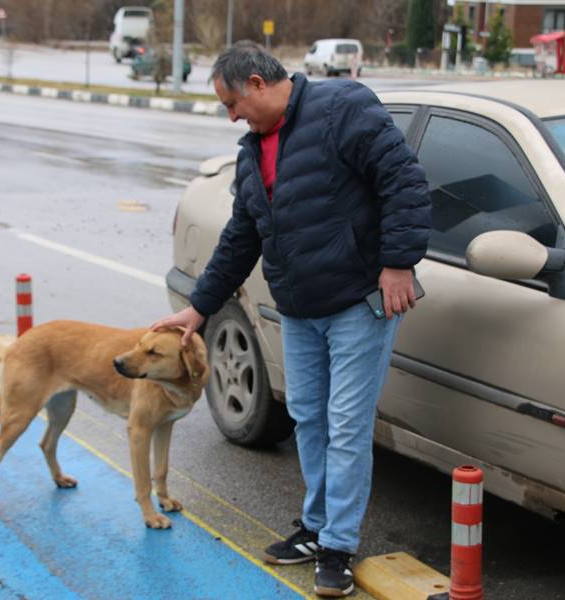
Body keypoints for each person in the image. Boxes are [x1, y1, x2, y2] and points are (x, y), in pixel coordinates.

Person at [151, 41, 431, 597]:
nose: (230, 116)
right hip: (299, 309)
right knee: (308, 416)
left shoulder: (342, 107)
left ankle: (338, 547)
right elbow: (242, 236)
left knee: (347, 424)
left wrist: (399, 263)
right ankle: (316, 526)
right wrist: (200, 307)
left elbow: (404, 182)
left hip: (358, 303)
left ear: (257, 83)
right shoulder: (254, 151)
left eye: (231, 103)